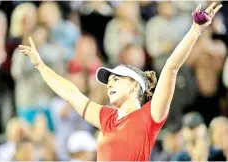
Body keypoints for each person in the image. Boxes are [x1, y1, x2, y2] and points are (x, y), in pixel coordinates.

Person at [18, 3, 222, 161]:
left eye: (116, 79)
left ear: (134, 85)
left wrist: (195, 30)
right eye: (109, 82)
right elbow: (71, 93)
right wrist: (41, 66)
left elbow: (171, 67)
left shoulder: (150, 115)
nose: (109, 85)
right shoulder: (106, 118)